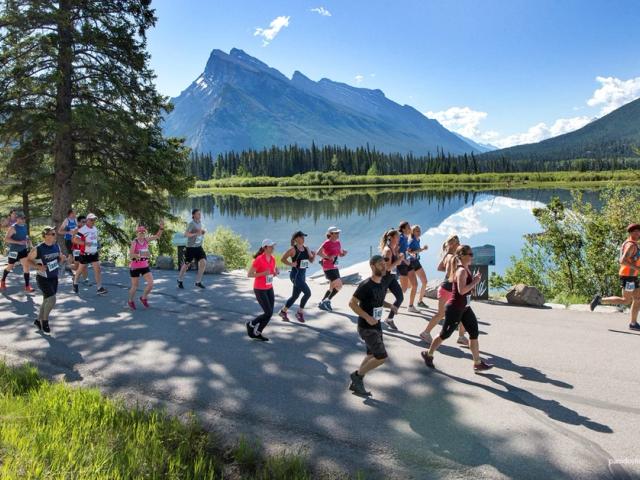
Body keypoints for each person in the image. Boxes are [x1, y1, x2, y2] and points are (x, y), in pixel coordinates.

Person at [421, 245, 493, 372]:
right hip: (455, 308)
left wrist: (474, 280)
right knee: (445, 334)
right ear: (463, 256)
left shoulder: (466, 269)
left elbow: (467, 289)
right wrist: (475, 281)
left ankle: (477, 363)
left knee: (474, 333)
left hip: (465, 307)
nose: (472, 256)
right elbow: (461, 290)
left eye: (472, 254)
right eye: (470, 254)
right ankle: (428, 354)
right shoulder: (461, 271)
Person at [348, 255, 396, 396]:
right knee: (381, 357)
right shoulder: (365, 285)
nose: (384, 266)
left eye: (384, 263)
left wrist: (390, 306)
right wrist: (367, 317)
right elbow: (352, 303)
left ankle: (356, 383)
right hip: (366, 327)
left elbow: (378, 301)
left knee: (370, 355)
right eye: (380, 264)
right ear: (372, 266)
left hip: (376, 325)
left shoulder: (381, 283)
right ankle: (357, 376)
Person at [419, 235, 469, 346]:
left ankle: (426, 332)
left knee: (441, 314)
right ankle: (461, 336)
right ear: (454, 245)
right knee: (464, 311)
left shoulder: (447, 256)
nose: (460, 244)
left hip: (444, 288)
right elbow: (454, 274)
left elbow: (440, 268)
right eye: (458, 243)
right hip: (452, 289)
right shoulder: (454, 258)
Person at [590, 223, 640, 330]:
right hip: (628, 276)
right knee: (626, 300)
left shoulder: (631, 243)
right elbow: (622, 260)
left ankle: (633, 323)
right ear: (630, 233)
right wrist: (637, 269)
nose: (638, 233)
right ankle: (600, 300)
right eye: (635, 231)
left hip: (632, 276)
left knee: (638, 298)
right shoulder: (631, 245)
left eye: (639, 231)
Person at [27, 227, 65, 333]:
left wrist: (62, 259)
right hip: (43, 278)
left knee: (46, 300)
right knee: (52, 299)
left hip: (54, 277)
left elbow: (58, 260)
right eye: (52, 234)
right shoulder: (38, 248)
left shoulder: (57, 246)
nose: (54, 235)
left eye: (54, 234)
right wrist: (38, 267)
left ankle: (38, 321)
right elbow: (28, 261)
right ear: (46, 236)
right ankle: (45, 321)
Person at [279, 231, 315, 323]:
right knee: (308, 293)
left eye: (304, 237)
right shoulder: (293, 249)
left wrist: (313, 256)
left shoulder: (306, 248)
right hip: (295, 276)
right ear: (296, 239)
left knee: (295, 296)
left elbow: (311, 261)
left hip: (302, 276)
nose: (303, 239)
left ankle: (283, 311)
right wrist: (291, 263)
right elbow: (282, 259)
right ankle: (299, 313)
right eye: (302, 237)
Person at [247, 239, 279, 341]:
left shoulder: (273, 258)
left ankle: (258, 332)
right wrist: (263, 273)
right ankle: (251, 324)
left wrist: (275, 272)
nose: (273, 248)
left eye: (273, 246)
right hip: (259, 289)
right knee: (268, 313)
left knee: (270, 313)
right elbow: (250, 274)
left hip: (269, 287)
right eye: (270, 246)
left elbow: (271, 271)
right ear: (265, 248)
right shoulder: (259, 259)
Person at [127, 222, 164, 310]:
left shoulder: (146, 240)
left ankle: (143, 298)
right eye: (140, 232)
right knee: (135, 286)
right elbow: (131, 255)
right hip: (135, 267)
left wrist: (161, 228)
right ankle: (130, 300)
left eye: (143, 232)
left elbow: (157, 236)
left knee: (151, 284)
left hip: (144, 266)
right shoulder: (134, 242)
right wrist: (141, 254)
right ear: (137, 233)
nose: (142, 233)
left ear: (145, 233)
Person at [72, 213, 107, 295]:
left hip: (94, 253)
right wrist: (85, 243)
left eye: (94, 219)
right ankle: (75, 281)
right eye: (91, 219)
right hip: (85, 254)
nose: (93, 221)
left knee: (98, 269)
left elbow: (94, 239)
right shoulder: (82, 230)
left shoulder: (95, 228)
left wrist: (97, 244)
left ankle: (99, 288)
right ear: (87, 220)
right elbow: (75, 240)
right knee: (80, 269)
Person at [1, 212, 33, 292]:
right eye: (21, 218)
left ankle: (27, 286)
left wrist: (28, 240)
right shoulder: (13, 228)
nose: (23, 220)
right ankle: (2, 281)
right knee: (10, 267)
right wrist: (18, 242)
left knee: (26, 266)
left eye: (24, 218)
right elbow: (6, 239)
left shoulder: (25, 226)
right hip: (14, 251)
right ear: (17, 219)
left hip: (23, 250)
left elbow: (25, 235)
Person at [379, 229, 404, 331]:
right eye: (397, 237)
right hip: (384, 278)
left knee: (400, 297)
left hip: (391, 278)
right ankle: (370, 320)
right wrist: (398, 260)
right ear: (391, 238)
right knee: (379, 302)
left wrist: (398, 255)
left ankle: (389, 319)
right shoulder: (387, 250)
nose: (399, 238)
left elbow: (395, 265)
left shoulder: (393, 249)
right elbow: (387, 268)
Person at [317, 226, 347, 311]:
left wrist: (343, 253)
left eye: (338, 233)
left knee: (332, 287)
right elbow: (318, 252)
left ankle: (322, 302)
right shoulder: (327, 243)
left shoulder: (338, 242)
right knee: (339, 285)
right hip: (328, 267)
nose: (338, 234)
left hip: (334, 267)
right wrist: (327, 257)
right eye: (336, 233)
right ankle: (326, 301)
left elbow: (339, 254)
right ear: (331, 234)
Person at [177, 209, 207, 289]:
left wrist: (202, 232)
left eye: (200, 214)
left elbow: (199, 233)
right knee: (186, 265)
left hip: (198, 247)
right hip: (191, 248)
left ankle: (198, 282)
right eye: (198, 214)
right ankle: (179, 280)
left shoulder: (199, 223)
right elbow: (186, 234)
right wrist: (196, 233)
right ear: (193, 215)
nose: (200, 215)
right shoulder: (191, 224)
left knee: (203, 262)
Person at [407, 225, 429, 311]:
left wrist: (421, 249)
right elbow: (408, 252)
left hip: (416, 262)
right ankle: (410, 306)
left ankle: (420, 301)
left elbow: (416, 251)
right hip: (410, 264)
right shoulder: (411, 241)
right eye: (417, 231)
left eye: (419, 231)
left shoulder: (417, 239)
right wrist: (421, 249)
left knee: (424, 281)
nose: (419, 232)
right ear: (412, 232)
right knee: (412, 286)